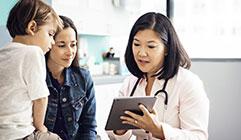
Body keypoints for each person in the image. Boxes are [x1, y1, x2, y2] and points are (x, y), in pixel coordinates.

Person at [107, 12, 209, 140]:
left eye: (151, 46)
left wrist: (158, 130)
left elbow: (198, 137)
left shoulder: (188, 83)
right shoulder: (130, 83)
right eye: (137, 44)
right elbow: (115, 135)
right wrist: (120, 130)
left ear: (166, 49)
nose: (141, 53)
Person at [0, 0, 63, 139]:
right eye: (51, 34)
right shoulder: (33, 53)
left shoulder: (3, 53)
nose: (52, 42)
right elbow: (40, 97)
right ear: (32, 27)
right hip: (19, 134)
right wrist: (40, 127)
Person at [44, 15, 97, 140]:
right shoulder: (36, 77)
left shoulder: (84, 78)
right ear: (49, 44)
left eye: (73, 45)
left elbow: (88, 126)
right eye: (62, 45)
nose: (70, 52)